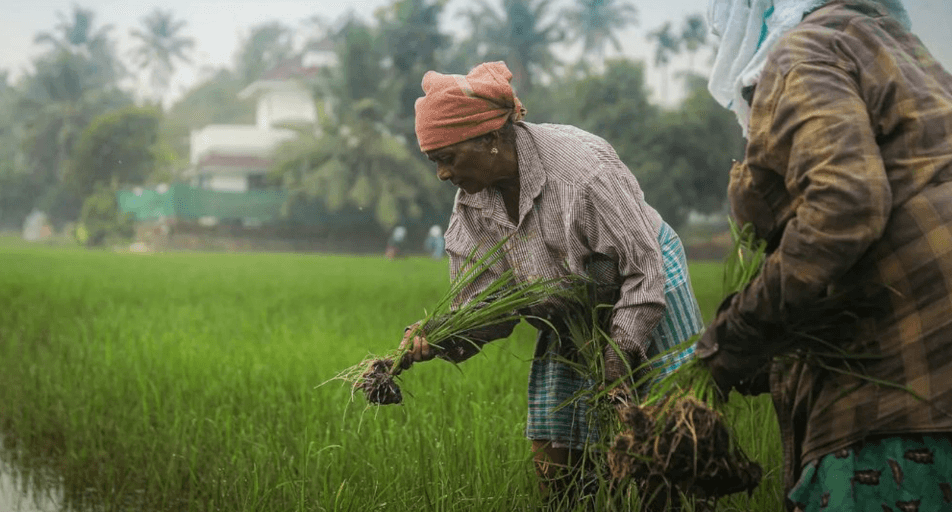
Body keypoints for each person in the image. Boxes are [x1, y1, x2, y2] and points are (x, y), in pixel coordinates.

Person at [396, 61, 704, 506]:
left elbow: (641, 268)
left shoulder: (582, 171)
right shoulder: (471, 210)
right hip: (569, 306)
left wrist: (617, 362)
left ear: (491, 138)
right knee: (559, 465)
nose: (443, 174)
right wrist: (440, 339)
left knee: (669, 447)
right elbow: (486, 310)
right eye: (435, 162)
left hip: (645, 283)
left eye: (448, 159)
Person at [695, 0, 952, 510]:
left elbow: (845, 204)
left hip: (898, 379)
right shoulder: (903, 52)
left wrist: (735, 338)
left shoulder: (805, 52)